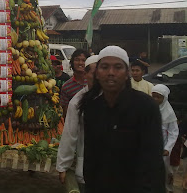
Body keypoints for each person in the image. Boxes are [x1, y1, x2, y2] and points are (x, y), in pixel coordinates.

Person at [79, 46, 165, 193]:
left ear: (127, 74)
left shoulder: (146, 106)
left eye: (118, 67)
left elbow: (153, 164)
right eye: (104, 67)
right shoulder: (92, 107)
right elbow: (91, 157)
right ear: (97, 74)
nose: (111, 73)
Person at [57, 55, 98, 192]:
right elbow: (69, 134)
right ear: (86, 74)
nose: (98, 76)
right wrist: (63, 165)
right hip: (87, 164)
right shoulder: (78, 101)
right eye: (94, 72)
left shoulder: (113, 97)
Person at [152, 84, 179, 193]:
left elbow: (173, 132)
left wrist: (168, 148)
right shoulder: (148, 108)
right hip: (149, 145)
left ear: (165, 98)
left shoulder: (169, 113)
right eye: (153, 96)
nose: (155, 99)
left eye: (158, 97)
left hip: (163, 147)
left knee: (164, 170)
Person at [59, 49, 90, 117]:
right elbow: (66, 112)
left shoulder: (92, 82)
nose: (80, 63)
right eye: (77, 60)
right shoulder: (66, 86)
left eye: (83, 60)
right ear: (72, 62)